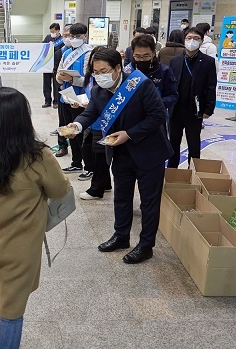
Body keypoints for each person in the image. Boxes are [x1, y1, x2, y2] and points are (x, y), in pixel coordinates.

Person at [0, 87, 70, 349]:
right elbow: (59, 190)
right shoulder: (37, 155)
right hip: (21, 242)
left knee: (1, 294)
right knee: (13, 310)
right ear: (23, 117)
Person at [65, 48, 173, 263]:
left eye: (103, 71)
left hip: (148, 152)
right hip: (120, 152)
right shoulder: (98, 90)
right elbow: (91, 112)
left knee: (148, 203)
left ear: (117, 68)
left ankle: (146, 245)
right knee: (121, 198)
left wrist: (130, 134)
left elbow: (158, 115)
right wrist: (76, 125)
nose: (98, 76)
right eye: (95, 72)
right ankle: (121, 236)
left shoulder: (140, 85)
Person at [168, 27, 217, 168]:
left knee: (194, 144)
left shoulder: (207, 61)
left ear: (201, 41)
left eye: (196, 38)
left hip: (195, 110)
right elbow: (170, 84)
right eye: (189, 38)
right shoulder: (175, 60)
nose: (192, 41)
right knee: (173, 143)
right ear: (184, 40)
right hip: (176, 110)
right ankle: (172, 172)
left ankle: (193, 172)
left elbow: (211, 86)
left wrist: (209, 108)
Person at [55, 23, 93, 179]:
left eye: (78, 36)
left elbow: (89, 79)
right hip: (67, 97)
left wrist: (72, 79)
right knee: (70, 132)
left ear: (85, 36)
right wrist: (60, 77)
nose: (74, 39)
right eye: (72, 36)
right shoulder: (66, 53)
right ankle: (76, 162)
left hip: (82, 99)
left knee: (83, 134)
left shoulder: (89, 53)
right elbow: (59, 72)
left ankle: (89, 166)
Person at [78, 46, 113, 200]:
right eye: (95, 68)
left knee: (99, 154)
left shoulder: (114, 83)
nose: (98, 72)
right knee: (92, 151)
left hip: (103, 123)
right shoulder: (90, 77)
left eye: (102, 70)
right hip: (91, 122)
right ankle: (105, 183)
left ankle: (96, 188)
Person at [124, 34, 179, 114]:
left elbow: (173, 96)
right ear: (133, 54)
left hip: (156, 114)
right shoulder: (127, 71)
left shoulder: (164, 71)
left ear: (153, 53)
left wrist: (156, 104)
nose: (141, 60)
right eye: (138, 56)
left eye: (146, 56)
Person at [53, 24, 73, 157]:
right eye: (65, 36)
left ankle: (77, 149)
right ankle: (62, 145)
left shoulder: (87, 52)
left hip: (79, 93)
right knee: (63, 120)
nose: (67, 39)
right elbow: (55, 71)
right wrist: (60, 85)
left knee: (75, 122)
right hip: (64, 91)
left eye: (69, 36)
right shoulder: (60, 52)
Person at [42, 23, 63, 108]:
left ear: (58, 31)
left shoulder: (62, 40)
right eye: (51, 32)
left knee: (56, 84)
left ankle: (56, 101)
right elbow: (42, 47)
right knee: (46, 84)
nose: (52, 33)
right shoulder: (48, 37)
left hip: (56, 65)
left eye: (53, 32)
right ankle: (47, 101)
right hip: (46, 65)